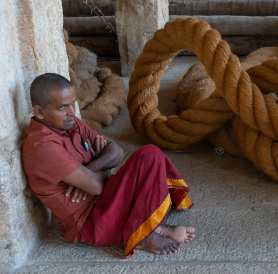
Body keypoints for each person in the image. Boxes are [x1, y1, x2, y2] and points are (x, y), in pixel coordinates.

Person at [22, 73, 195, 258]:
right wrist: (105, 167)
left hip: (106, 197)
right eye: (63, 107)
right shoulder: (43, 146)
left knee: (151, 155)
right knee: (148, 155)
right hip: (93, 222)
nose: (72, 112)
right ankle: (144, 234)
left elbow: (116, 151)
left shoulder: (69, 123)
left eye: (73, 103)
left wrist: (91, 169)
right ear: (39, 112)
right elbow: (96, 186)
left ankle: (153, 226)